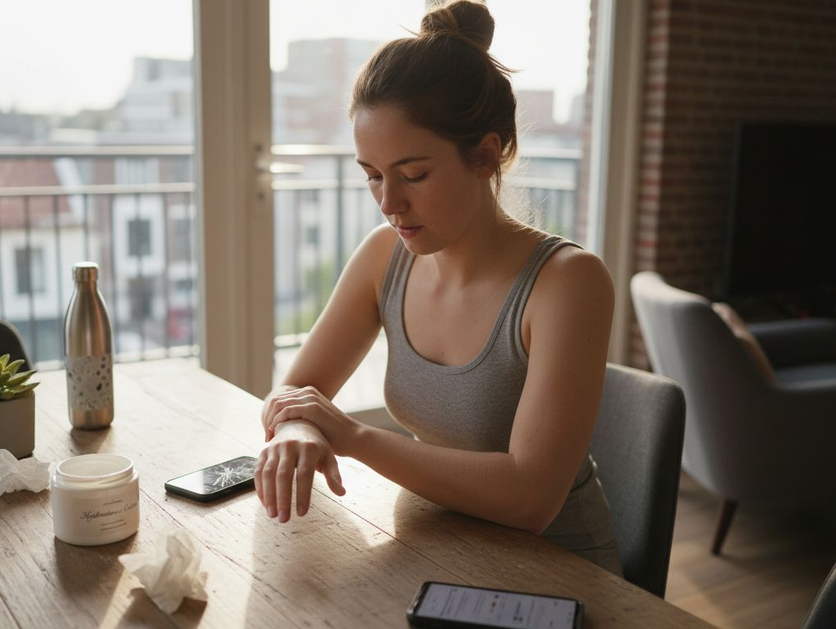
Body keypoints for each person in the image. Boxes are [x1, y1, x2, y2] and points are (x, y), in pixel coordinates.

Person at [253, 0, 621, 575]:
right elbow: (295, 391)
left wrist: (351, 436)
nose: (389, 203)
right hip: (435, 545)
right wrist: (298, 426)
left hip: (556, 571)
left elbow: (530, 499)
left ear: (486, 155)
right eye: (372, 175)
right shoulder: (384, 257)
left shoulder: (568, 283)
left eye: (414, 175)